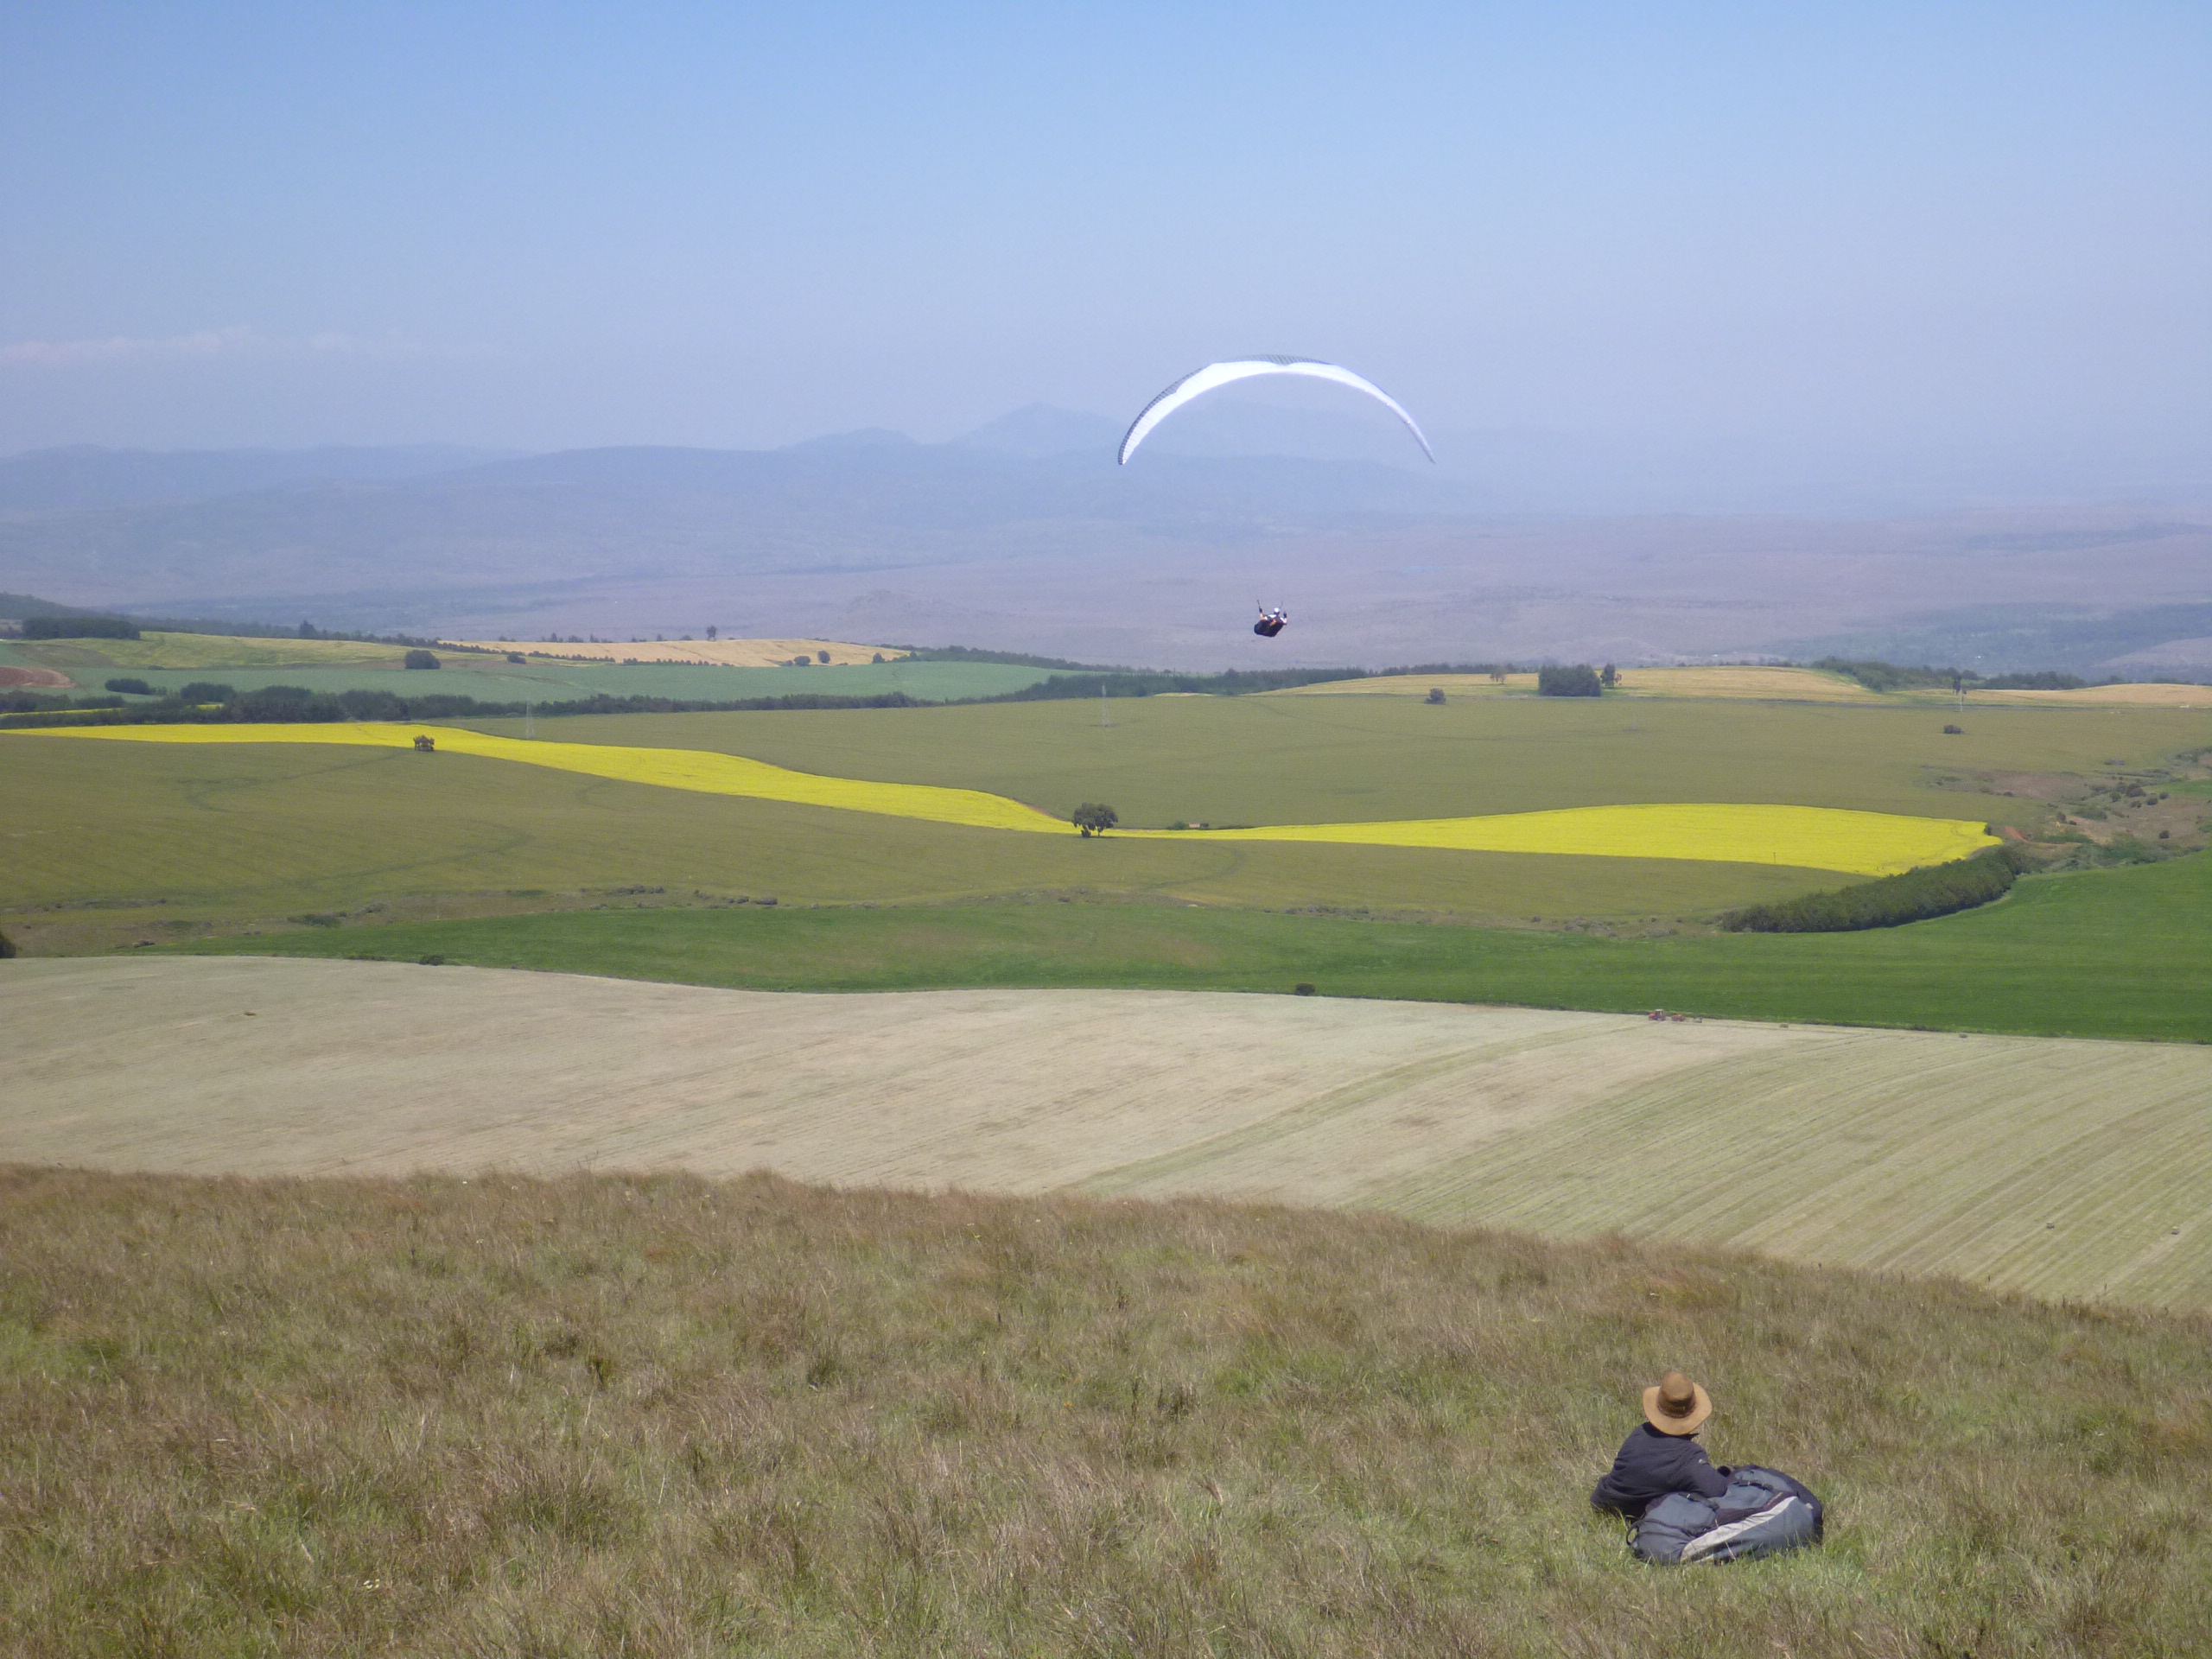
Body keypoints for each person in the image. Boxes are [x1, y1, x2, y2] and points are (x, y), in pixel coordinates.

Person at [1591, 1370, 1731, 1519]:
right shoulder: (1689, 1456)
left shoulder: (1639, 1433)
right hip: (1632, 1517)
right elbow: (1718, 1490)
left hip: (1602, 1505)